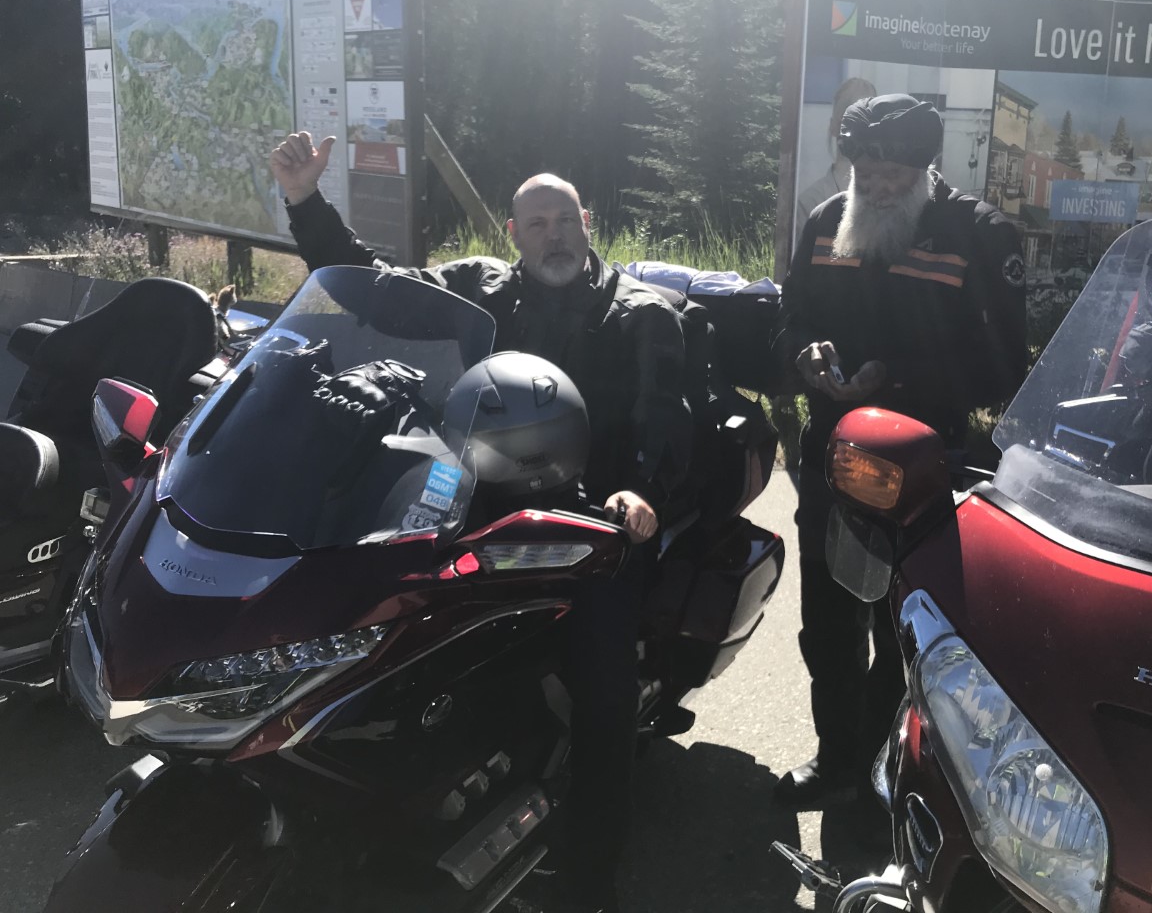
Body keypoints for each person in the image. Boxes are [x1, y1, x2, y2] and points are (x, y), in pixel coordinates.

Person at [270, 132, 691, 913]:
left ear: (586, 223)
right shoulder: (483, 288)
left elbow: (663, 415)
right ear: (513, 233)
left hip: (591, 527)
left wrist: (640, 491)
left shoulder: (641, 316)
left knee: (603, 692)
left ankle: (592, 876)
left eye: (564, 221)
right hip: (471, 505)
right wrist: (306, 201)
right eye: (536, 224)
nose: (553, 237)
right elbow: (381, 290)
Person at [774, 94, 1029, 806]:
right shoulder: (827, 222)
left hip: (923, 468)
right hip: (832, 458)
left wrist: (895, 376)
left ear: (926, 169)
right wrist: (804, 355)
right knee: (828, 621)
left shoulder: (979, 234)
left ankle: (891, 774)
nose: (881, 188)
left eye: (896, 176)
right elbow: (789, 317)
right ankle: (836, 761)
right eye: (868, 173)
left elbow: (1005, 368)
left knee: (905, 628)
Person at [794, 76, 879, 225]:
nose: (859, 130)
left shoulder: (888, 196)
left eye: (867, 121)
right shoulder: (810, 202)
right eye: (850, 119)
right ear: (834, 126)